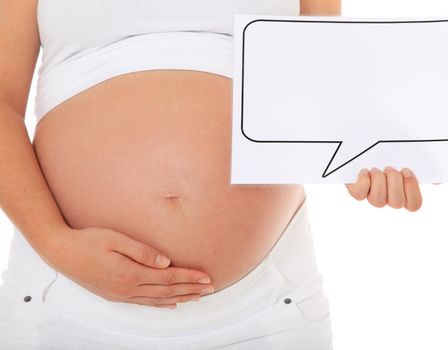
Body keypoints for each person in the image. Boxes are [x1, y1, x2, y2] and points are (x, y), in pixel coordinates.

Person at [0, 0, 425, 349]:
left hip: (265, 311)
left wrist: (367, 161)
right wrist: (54, 244)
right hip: (65, 302)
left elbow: (323, 88)